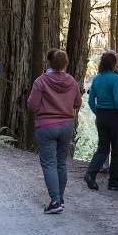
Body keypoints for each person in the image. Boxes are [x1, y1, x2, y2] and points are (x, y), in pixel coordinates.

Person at [26, 48, 82, 214]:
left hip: (46, 126)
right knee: (61, 162)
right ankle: (61, 198)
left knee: (49, 163)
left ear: (48, 62)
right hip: (66, 125)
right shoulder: (71, 81)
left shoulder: (41, 81)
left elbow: (33, 105)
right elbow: (77, 103)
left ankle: (55, 200)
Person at [83, 49, 118, 192]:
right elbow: (117, 100)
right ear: (113, 63)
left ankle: (90, 174)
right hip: (114, 116)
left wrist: (99, 112)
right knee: (117, 150)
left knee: (102, 148)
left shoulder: (96, 78)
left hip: (101, 116)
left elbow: (90, 101)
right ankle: (114, 182)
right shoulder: (115, 78)